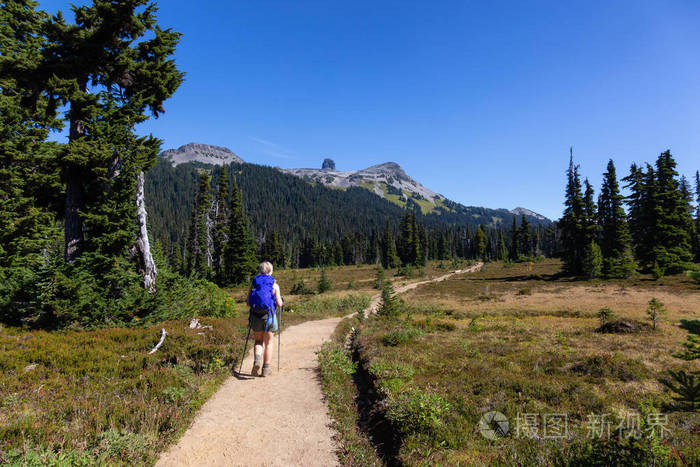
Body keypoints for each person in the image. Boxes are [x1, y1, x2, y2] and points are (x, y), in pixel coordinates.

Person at [246, 261, 283, 377]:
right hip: (269, 317)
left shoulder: (254, 285)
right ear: (271, 271)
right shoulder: (274, 285)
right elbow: (279, 304)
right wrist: (281, 300)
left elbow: (248, 303)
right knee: (268, 343)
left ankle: (257, 360)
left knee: (258, 341)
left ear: (260, 271)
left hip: (256, 316)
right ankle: (266, 369)